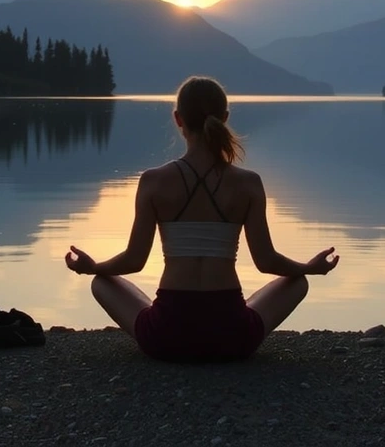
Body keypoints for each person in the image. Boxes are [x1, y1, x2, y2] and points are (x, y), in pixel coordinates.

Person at [64, 76, 339, 362]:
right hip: (232, 338)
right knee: (298, 282)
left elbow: (134, 260)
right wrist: (310, 268)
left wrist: (92, 267)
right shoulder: (248, 183)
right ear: (225, 118)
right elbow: (266, 261)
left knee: (101, 282)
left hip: (165, 337)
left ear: (178, 119)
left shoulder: (153, 182)